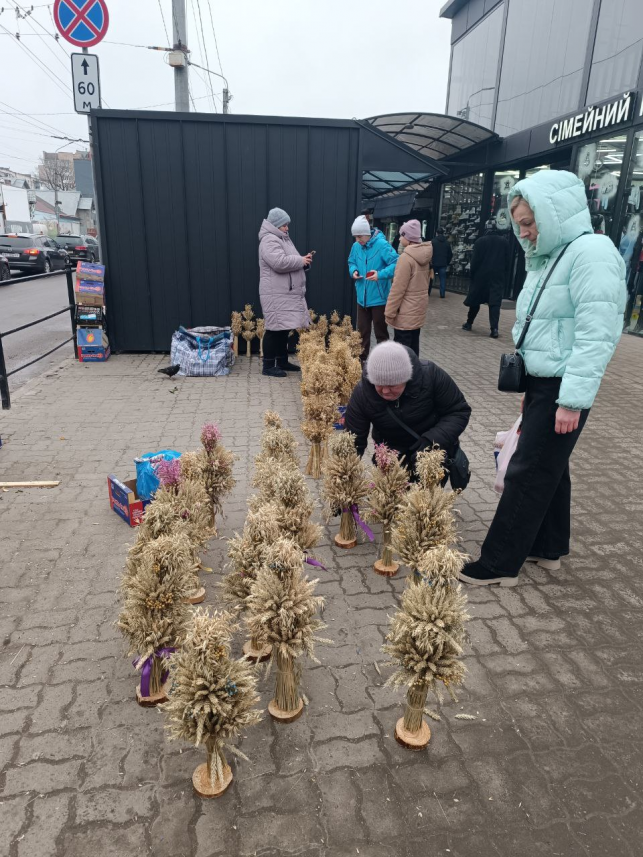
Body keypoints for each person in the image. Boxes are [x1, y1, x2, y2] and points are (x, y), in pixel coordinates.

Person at [460, 170, 626, 588]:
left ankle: (499, 563)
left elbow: (597, 334)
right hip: (544, 382)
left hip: (563, 385)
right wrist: (532, 388)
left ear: (554, 214)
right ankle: (548, 547)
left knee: (527, 470)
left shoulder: (592, 252)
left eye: (529, 222)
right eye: (519, 224)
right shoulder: (551, 254)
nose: (524, 232)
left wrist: (571, 400)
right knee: (551, 466)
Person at [344, 340, 471, 476]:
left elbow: (458, 411)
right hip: (391, 457)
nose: (385, 391)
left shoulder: (431, 375)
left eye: (392, 385)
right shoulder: (363, 393)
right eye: (379, 384)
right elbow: (353, 439)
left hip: (430, 452)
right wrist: (345, 472)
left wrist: (433, 440)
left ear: (406, 378)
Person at [258, 207, 312, 378]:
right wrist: (300, 260)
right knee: (274, 329)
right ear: (275, 225)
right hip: (275, 293)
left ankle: (282, 361)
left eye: (287, 224)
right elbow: (279, 262)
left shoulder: (282, 238)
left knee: (283, 329)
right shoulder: (269, 240)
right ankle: (268, 366)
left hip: (283, 292)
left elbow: (290, 261)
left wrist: (304, 262)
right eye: (284, 225)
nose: (287, 228)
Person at [348, 215, 399, 361]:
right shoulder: (356, 246)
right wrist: (353, 271)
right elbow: (351, 261)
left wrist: (380, 274)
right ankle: (362, 362)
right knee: (362, 333)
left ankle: (384, 361)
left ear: (367, 233)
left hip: (379, 298)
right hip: (362, 298)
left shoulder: (382, 244)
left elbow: (397, 263)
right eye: (355, 237)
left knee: (381, 333)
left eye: (359, 236)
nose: (357, 240)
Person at [385, 219, 433, 356]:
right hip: (417, 310)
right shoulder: (425, 256)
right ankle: (415, 370)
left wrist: (389, 312)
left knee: (401, 354)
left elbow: (398, 289)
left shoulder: (405, 258)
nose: (400, 238)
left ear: (409, 238)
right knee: (413, 349)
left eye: (402, 235)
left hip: (405, 313)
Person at [462, 218, 510, 339]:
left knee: (475, 300)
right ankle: (494, 329)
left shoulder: (480, 241)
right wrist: (504, 274)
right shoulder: (504, 242)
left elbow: (474, 261)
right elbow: (507, 261)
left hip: (481, 276)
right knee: (494, 304)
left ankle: (469, 323)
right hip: (497, 276)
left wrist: (472, 274)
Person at [429, 227, 452, 298]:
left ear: (436, 233)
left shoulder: (433, 241)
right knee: (442, 279)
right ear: (443, 233)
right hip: (443, 263)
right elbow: (450, 254)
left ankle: (428, 292)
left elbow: (429, 252)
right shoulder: (447, 243)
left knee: (430, 278)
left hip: (434, 263)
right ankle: (442, 294)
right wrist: (447, 262)